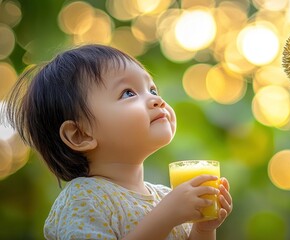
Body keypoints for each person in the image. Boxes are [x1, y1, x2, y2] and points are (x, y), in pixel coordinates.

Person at [3, 44, 233, 239]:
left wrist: (202, 228)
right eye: (128, 93)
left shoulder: (165, 196)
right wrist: (167, 215)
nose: (156, 99)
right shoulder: (83, 200)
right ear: (80, 135)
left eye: (152, 89)